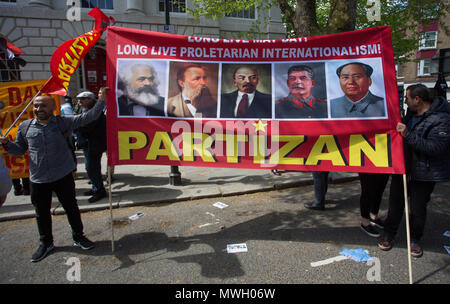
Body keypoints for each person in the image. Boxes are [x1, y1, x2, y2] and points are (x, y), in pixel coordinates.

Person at [0, 88, 107, 262]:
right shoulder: (25, 127)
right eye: (36, 105)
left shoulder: (62, 123)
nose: (39, 108)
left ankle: (79, 236)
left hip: (63, 176)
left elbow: (88, 117)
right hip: (38, 179)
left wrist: (102, 99)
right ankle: (46, 243)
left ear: (52, 108)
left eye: (43, 105)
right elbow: (19, 150)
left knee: (71, 208)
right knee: (41, 212)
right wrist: (6, 145)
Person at [378, 84, 450, 257]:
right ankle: (389, 234)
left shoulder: (442, 119)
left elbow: (435, 148)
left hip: (424, 173)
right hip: (404, 169)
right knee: (395, 204)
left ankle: (415, 240)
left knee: (418, 209)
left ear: (418, 99)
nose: (405, 102)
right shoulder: (410, 114)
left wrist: (407, 134)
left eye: (407, 98)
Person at [75, 91, 107, 203]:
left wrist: (75, 126)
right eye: (79, 99)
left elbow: (87, 127)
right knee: (90, 168)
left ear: (91, 99)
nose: (80, 101)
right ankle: (95, 187)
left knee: (92, 167)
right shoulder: (81, 109)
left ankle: (99, 190)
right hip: (86, 144)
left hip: (94, 144)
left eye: (83, 99)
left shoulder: (95, 111)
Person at [358, 173, 389, 237]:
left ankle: (373, 216)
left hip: (383, 164)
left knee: (380, 188)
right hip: (367, 165)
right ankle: (365, 222)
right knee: (367, 189)